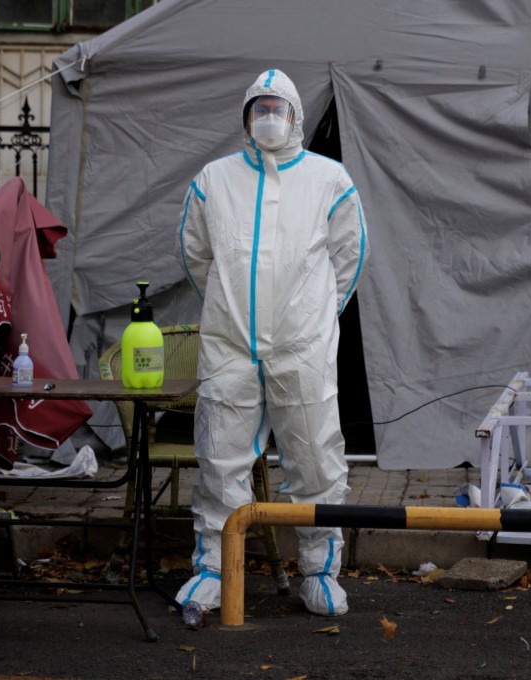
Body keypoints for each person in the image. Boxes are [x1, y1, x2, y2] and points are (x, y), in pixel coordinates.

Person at [174, 68, 370, 616]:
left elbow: (349, 258)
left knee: (313, 456)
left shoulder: (330, 181)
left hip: (301, 345)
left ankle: (319, 571)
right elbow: (195, 255)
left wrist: (315, 317)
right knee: (220, 459)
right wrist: (228, 306)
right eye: (257, 109)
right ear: (244, 117)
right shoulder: (213, 180)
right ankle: (215, 570)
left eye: (276, 108)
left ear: (295, 116)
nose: (267, 118)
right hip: (230, 343)